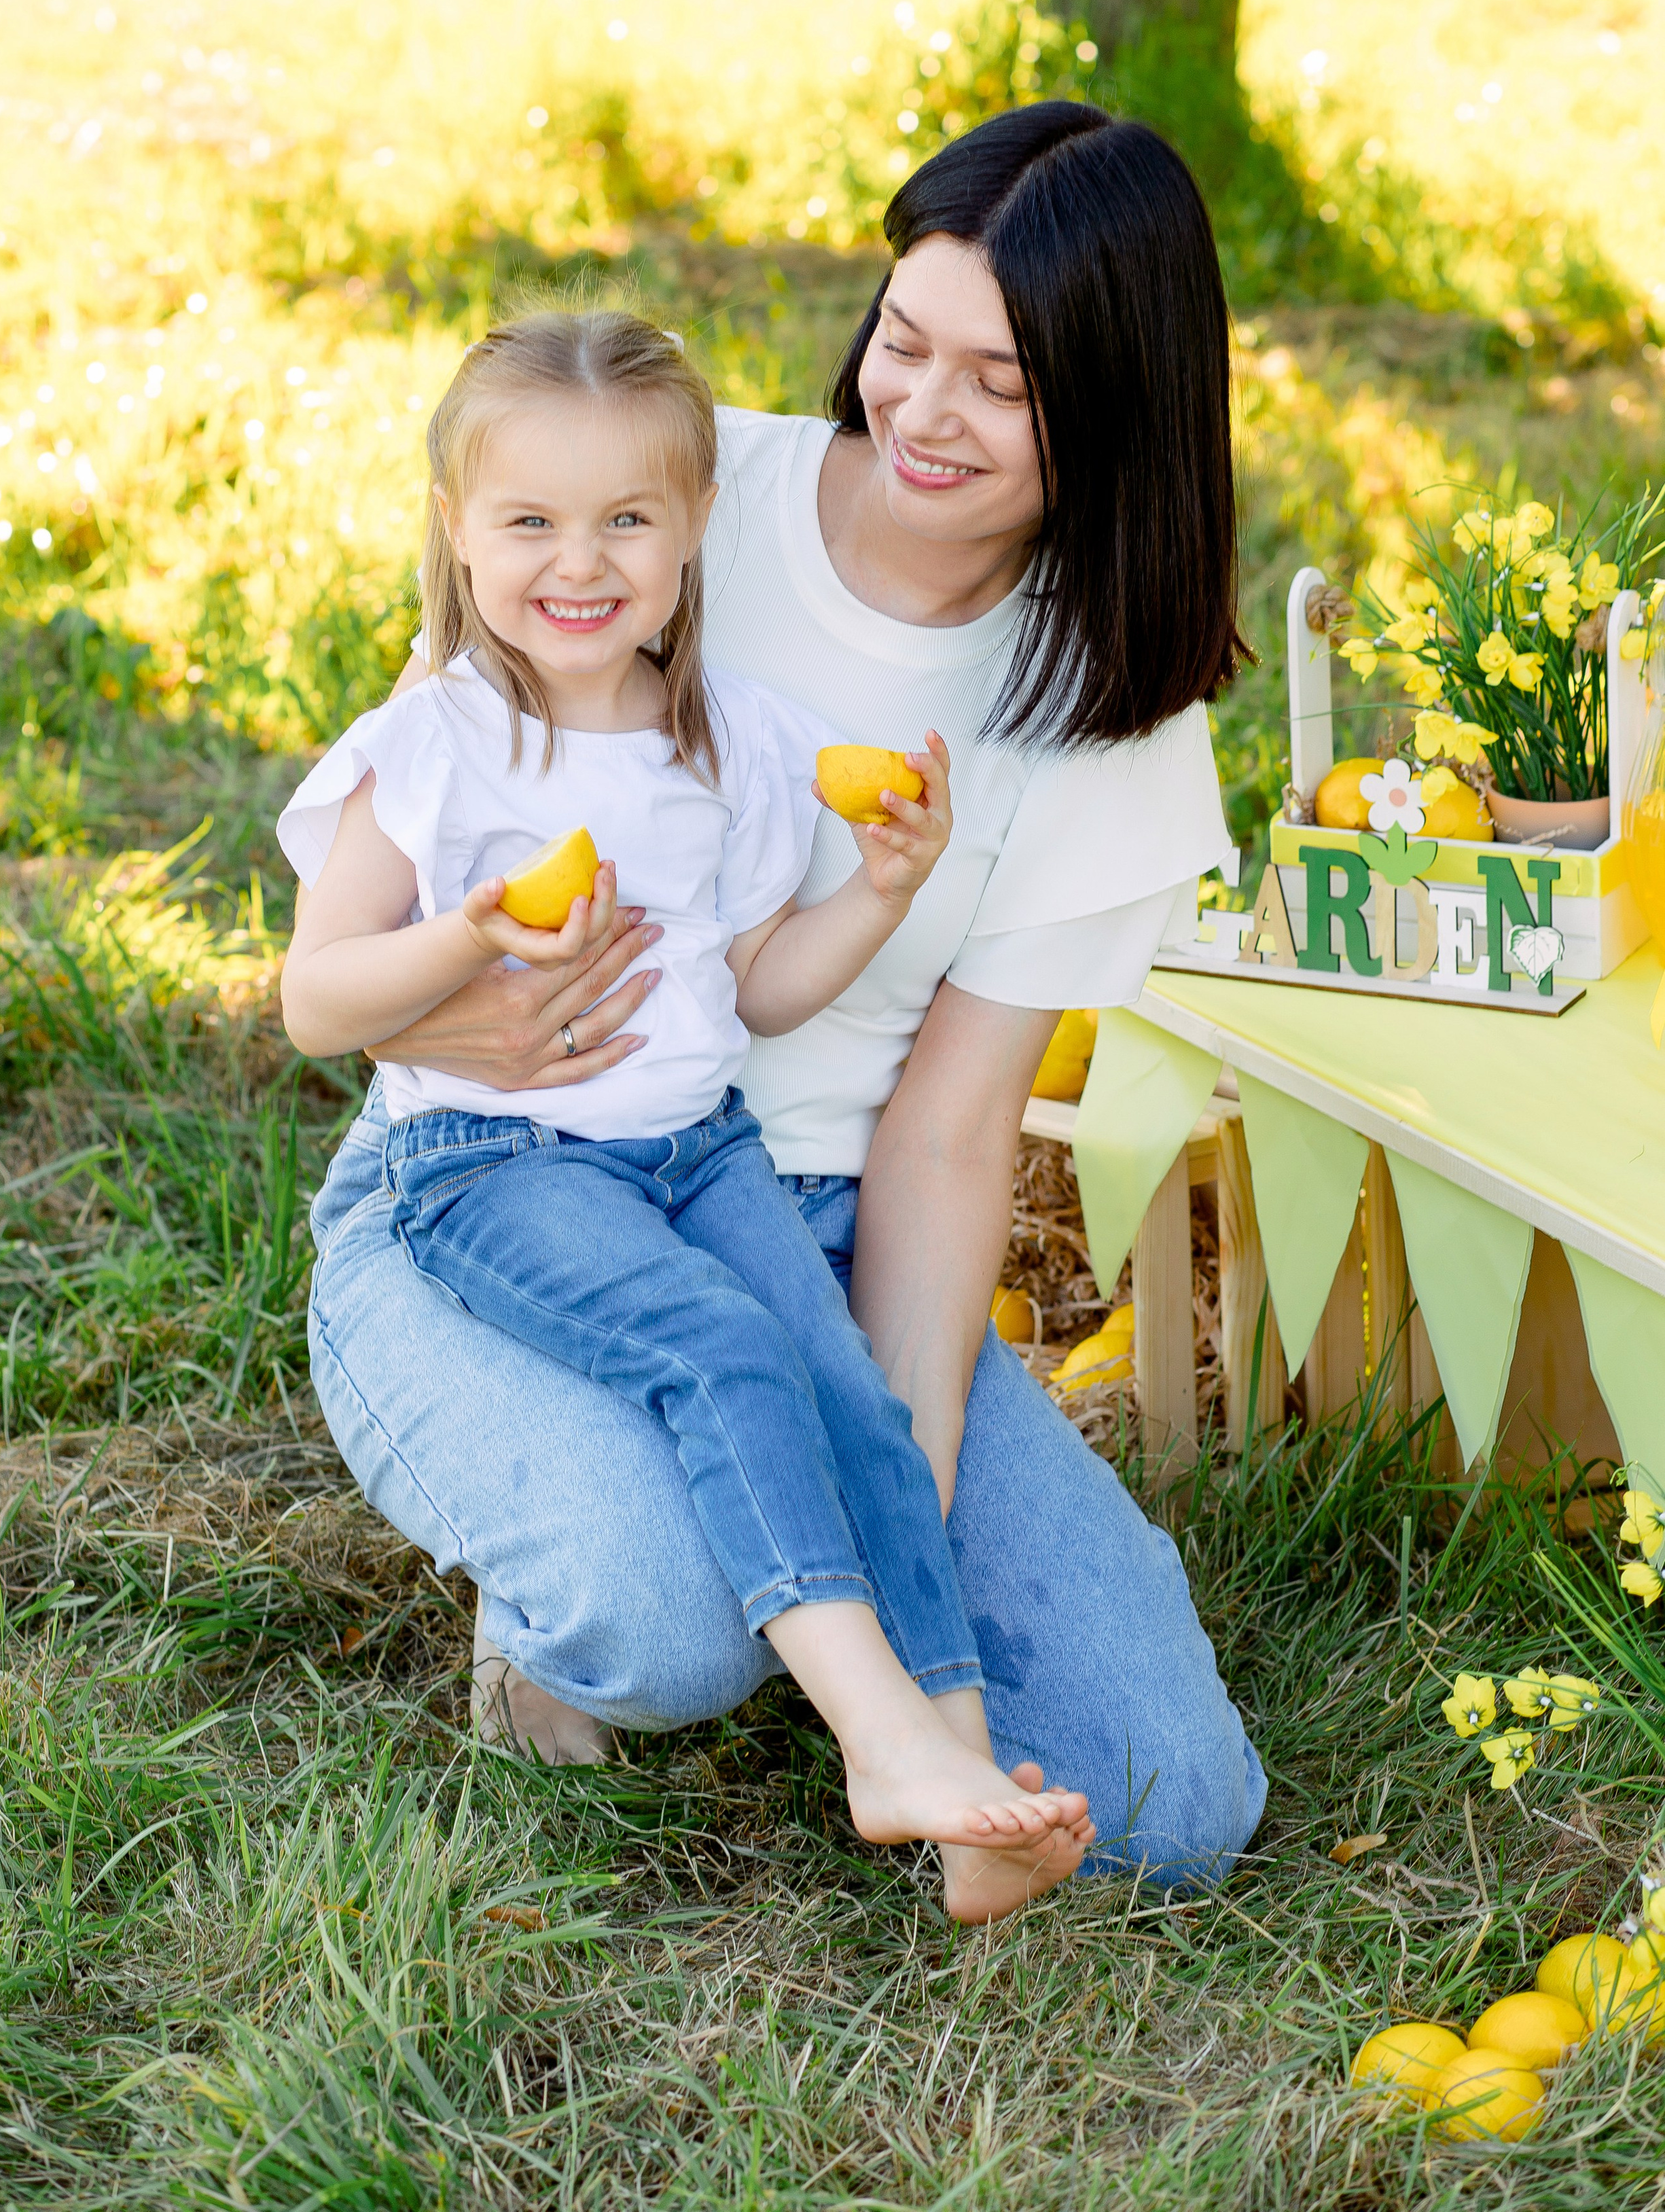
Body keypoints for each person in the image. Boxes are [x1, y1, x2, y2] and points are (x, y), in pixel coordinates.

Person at [306, 99, 1269, 1910]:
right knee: (670, 1628)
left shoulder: (1113, 715)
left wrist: (903, 1494)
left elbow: (947, 1132)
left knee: (1169, 1804)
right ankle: (563, 1608)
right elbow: (414, 872)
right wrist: (458, 1026)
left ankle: (877, 1681)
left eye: (1003, 381)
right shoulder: (668, 506)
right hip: (514, 1181)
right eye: (906, 341)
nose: (921, 409)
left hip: (811, 1225)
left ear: (1124, 403)